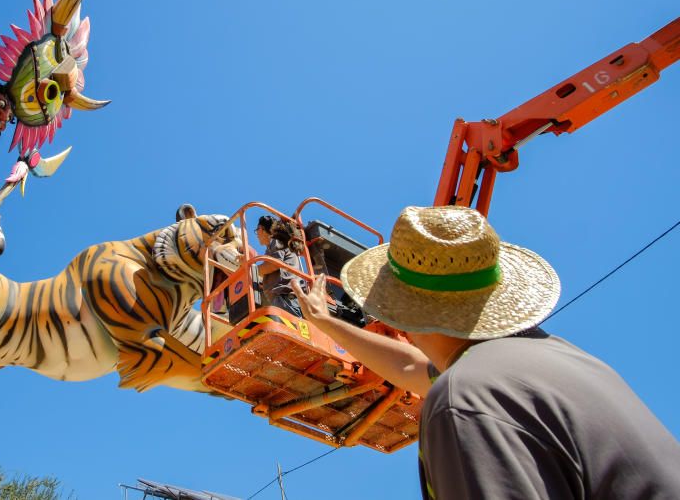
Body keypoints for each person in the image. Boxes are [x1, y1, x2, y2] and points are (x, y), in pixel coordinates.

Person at [291, 205, 680, 500]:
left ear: (397, 312)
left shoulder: (466, 398)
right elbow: (409, 365)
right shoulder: (561, 361)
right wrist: (325, 322)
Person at [254, 215, 305, 316]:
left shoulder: (276, 240)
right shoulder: (272, 247)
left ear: (261, 229)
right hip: (284, 298)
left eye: (256, 231)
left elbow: (273, 265)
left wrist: (252, 270)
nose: (256, 235)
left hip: (284, 298)